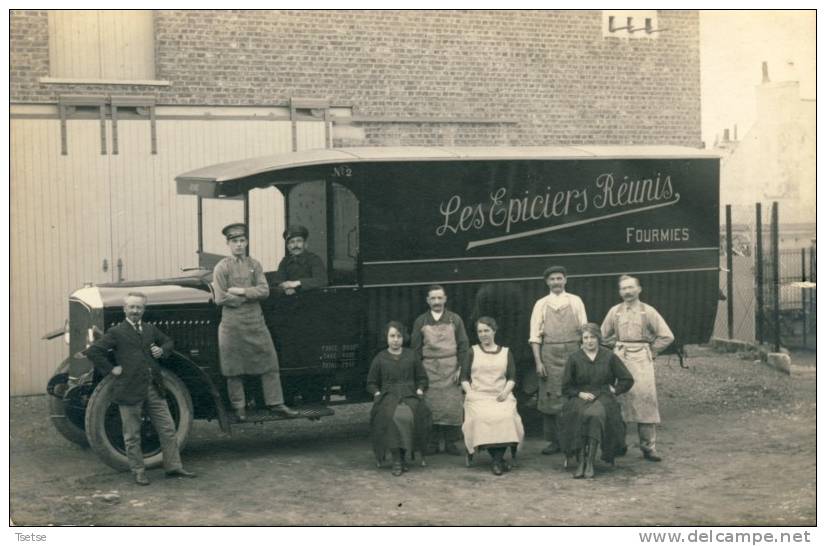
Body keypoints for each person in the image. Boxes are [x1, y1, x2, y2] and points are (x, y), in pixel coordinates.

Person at [86, 292, 196, 485]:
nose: (135, 311)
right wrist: (112, 369)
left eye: (139, 307)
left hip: (154, 387)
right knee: (132, 435)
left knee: (168, 429)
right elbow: (94, 351)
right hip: (128, 389)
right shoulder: (116, 332)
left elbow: (168, 341)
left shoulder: (149, 329)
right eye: (132, 307)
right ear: (125, 309)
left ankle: (174, 467)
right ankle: (138, 471)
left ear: (144, 310)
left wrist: (162, 350)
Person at [212, 223, 298, 422]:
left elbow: (264, 291)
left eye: (242, 240)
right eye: (235, 241)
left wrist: (241, 292)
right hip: (231, 324)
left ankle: (276, 404)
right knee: (233, 368)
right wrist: (249, 298)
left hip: (255, 322)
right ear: (228, 244)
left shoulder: (255, 265)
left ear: (247, 242)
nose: (239, 245)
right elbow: (220, 298)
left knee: (269, 362)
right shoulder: (222, 267)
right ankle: (239, 408)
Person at [601, 275, 674, 462]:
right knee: (619, 400)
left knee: (645, 400)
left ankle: (648, 447)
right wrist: (614, 345)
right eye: (623, 288)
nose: (627, 291)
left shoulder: (648, 311)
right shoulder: (614, 312)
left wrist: (652, 350)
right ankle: (619, 444)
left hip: (642, 359)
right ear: (619, 292)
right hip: (620, 358)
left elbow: (667, 336)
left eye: (631, 287)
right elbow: (602, 335)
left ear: (639, 289)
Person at [560, 323, 634, 479]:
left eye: (592, 337)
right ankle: (581, 461)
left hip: (603, 396)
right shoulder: (574, 358)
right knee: (580, 414)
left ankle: (590, 462)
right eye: (585, 338)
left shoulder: (609, 356)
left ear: (598, 338)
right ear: (581, 340)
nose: (589, 341)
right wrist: (579, 393)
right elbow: (566, 387)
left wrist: (615, 389)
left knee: (595, 415)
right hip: (581, 397)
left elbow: (627, 379)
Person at [528, 265, 588, 455]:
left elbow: (585, 332)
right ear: (547, 282)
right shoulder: (541, 304)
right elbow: (535, 337)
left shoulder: (575, 301)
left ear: (565, 280)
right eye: (552, 279)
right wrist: (539, 362)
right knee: (550, 398)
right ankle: (554, 441)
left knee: (572, 396)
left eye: (559, 278)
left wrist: (583, 359)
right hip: (549, 355)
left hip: (573, 352)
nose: (556, 282)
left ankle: (573, 438)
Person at [366, 321, 432, 476]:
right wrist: (376, 393)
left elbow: (423, 378)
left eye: (399, 336)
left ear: (404, 338)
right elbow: (371, 383)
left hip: (409, 396)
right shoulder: (380, 358)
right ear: (387, 338)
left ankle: (402, 457)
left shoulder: (412, 355)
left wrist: (420, 389)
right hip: (388, 397)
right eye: (392, 336)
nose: (395, 339)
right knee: (391, 417)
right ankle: (397, 459)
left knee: (412, 415)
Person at [461, 317, 525, 476]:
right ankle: (498, 461)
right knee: (482, 417)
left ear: (494, 331)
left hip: (500, 396)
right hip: (479, 396)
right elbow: (464, 377)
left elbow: (512, 378)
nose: (483, 334)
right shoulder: (472, 351)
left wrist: (505, 392)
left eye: (486, 331)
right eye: (480, 331)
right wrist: (471, 393)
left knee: (506, 417)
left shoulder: (505, 352)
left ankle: (497, 460)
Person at [410, 285, 469, 456]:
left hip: (451, 368)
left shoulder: (455, 319)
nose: (436, 302)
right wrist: (420, 373)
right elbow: (415, 350)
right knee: (431, 406)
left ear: (445, 299)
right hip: (429, 369)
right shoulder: (420, 321)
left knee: (451, 406)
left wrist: (461, 369)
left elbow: (464, 346)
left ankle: (451, 442)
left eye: (439, 298)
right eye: (433, 298)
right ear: (427, 301)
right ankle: (433, 442)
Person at [274, 224, 328, 295]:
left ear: (305, 244)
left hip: (312, 299)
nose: (295, 245)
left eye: (299, 241)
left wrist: (297, 283)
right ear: (288, 247)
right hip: (290, 300)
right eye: (292, 242)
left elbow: (322, 280)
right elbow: (278, 281)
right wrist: (285, 288)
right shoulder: (285, 261)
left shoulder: (314, 259)